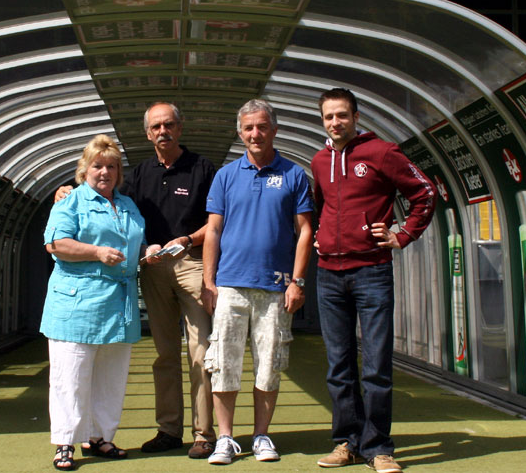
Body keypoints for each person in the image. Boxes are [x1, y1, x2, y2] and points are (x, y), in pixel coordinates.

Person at [54, 102, 217, 459]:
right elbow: (104, 198)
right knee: (164, 354)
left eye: (169, 124)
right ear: (147, 133)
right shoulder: (139, 175)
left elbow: (217, 223)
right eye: (156, 126)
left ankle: (204, 433)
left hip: (191, 264)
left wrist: (192, 246)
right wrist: (65, 190)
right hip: (152, 268)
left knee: (201, 352)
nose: (163, 131)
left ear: (180, 127)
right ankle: (169, 430)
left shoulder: (203, 168)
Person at [311, 89, 436, 473]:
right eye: (330, 116)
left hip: (372, 271)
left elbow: (425, 192)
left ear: (356, 116)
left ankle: (379, 448)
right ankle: (347, 442)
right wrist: (322, 234)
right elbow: (322, 207)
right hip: (329, 274)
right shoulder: (319, 160)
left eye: (343, 115)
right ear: (323, 121)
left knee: (376, 365)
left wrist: (402, 234)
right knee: (339, 365)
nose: (336, 123)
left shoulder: (381, 153)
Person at [201, 99, 314, 465]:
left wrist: (297, 281)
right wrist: (208, 280)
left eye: (262, 126)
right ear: (240, 132)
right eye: (248, 128)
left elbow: (305, 231)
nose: (255, 134)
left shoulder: (295, 175)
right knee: (224, 363)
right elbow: (213, 230)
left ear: (274, 129)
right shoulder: (226, 176)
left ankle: (262, 435)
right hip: (231, 283)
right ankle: (226, 438)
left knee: (269, 363)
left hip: (275, 287)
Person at [42, 134, 161, 471]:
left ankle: (99, 437)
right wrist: (96, 252)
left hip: (118, 305)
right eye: (98, 166)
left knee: (111, 376)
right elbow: (56, 244)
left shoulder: (127, 205)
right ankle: (65, 442)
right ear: (85, 169)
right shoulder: (70, 202)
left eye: (111, 166)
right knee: (71, 377)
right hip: (76, 305)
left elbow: (134, 244)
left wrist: (147, 253)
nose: (104, 172)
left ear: (118, 173)